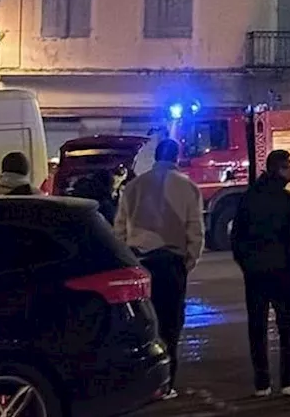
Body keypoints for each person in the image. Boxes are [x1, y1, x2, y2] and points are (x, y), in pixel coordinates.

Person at [113, 138, 204, 400]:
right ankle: (166, 384)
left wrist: (128, 263)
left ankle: (140, 383)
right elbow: (195, 232)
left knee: (142, 324)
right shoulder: (188, 188)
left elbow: (119, 230)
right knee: (171, 326)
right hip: (171, 264)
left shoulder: (133, 187)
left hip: (140, 264)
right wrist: (187, 263)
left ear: (156, 156)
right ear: (177, 156)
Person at [231, 150, 290, 398]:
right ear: (279, 169)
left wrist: (246, 264)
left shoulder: (249, 197)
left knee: (257, 328)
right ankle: (288, 380)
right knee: (288, 327)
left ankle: (262, 383)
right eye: (289, 167)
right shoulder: (286, 200)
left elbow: (237, 237)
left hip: (255, 273)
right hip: (283, 274)